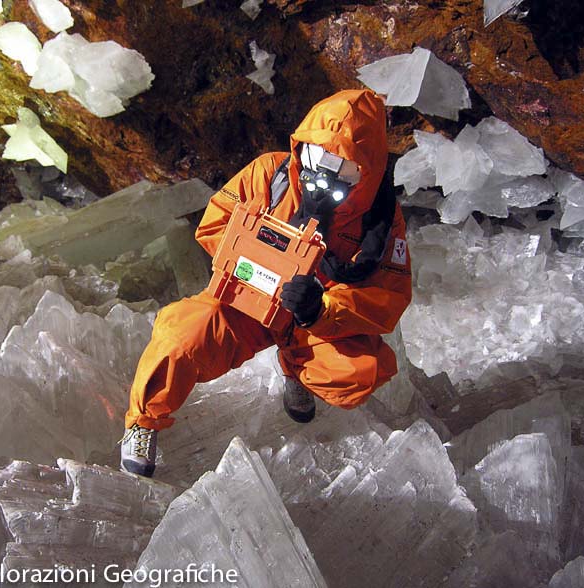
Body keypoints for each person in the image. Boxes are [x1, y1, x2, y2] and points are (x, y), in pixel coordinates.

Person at [120, 89, 412, 477]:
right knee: (182, 336)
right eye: (315, 155)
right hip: (246, 300)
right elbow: (213, 225)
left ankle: (296, 370)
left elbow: (389, 297)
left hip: (309, 319)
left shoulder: (380, 221)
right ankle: (143, 422)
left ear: (368, 169)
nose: (323, 172)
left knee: (357, 373)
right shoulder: (270, 174)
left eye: (344, 167)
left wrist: (320, 309)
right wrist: (255, 250)